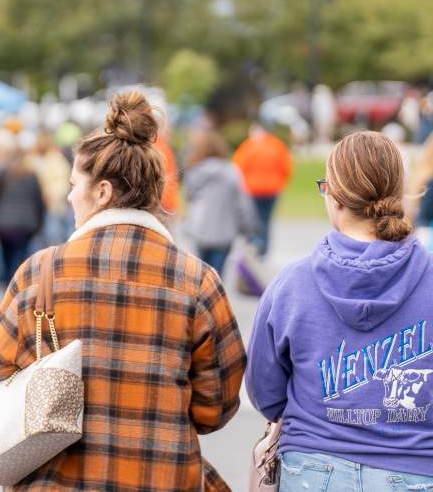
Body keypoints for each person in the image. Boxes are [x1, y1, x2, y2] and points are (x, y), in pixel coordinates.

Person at [0, 91, 245, 491]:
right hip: (161, 477)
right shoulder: (198, 281)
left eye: (75, 184)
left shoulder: (39, 272)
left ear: (102, 192)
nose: (70, 196)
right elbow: (216, 408)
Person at [246, 131, 433, 491]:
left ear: (334, 195)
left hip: (313, 466)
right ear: (397, 191)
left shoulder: (293, 284)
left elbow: (264, 390)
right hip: (415, 468)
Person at [183, 129, 257, 275]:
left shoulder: (195, 172)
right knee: (217, 276)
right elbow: (243, 204)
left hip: (200, 229)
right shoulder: (232, 172)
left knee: (199, 276)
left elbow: (189, 197)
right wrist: (249, 229)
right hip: (225, 231)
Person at [0, 144, 46, 285]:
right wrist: (39, 223)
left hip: (3, 224)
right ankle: (17, 284)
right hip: (25, 224)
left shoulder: (1, 173)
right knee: (20, 257)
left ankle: (8, 285)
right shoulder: (31, 175)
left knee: (6, 256)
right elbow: (39, 201)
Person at [233, 123, 293, 255]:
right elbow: (287, 167)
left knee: (252, 220)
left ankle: (254, 245)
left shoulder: (248, 146)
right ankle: (263, 250)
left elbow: (237, 167)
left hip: (252, 189)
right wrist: (281, 183)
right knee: (266, 220)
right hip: (272, 189)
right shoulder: (278, 146)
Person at [29, 132, 71, 246]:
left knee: (53, 236)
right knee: (37, 239)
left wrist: (50, 194)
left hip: (52, 206)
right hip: (34, 207)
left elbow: (63, 182)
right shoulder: (31, 160)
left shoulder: (57, 160)